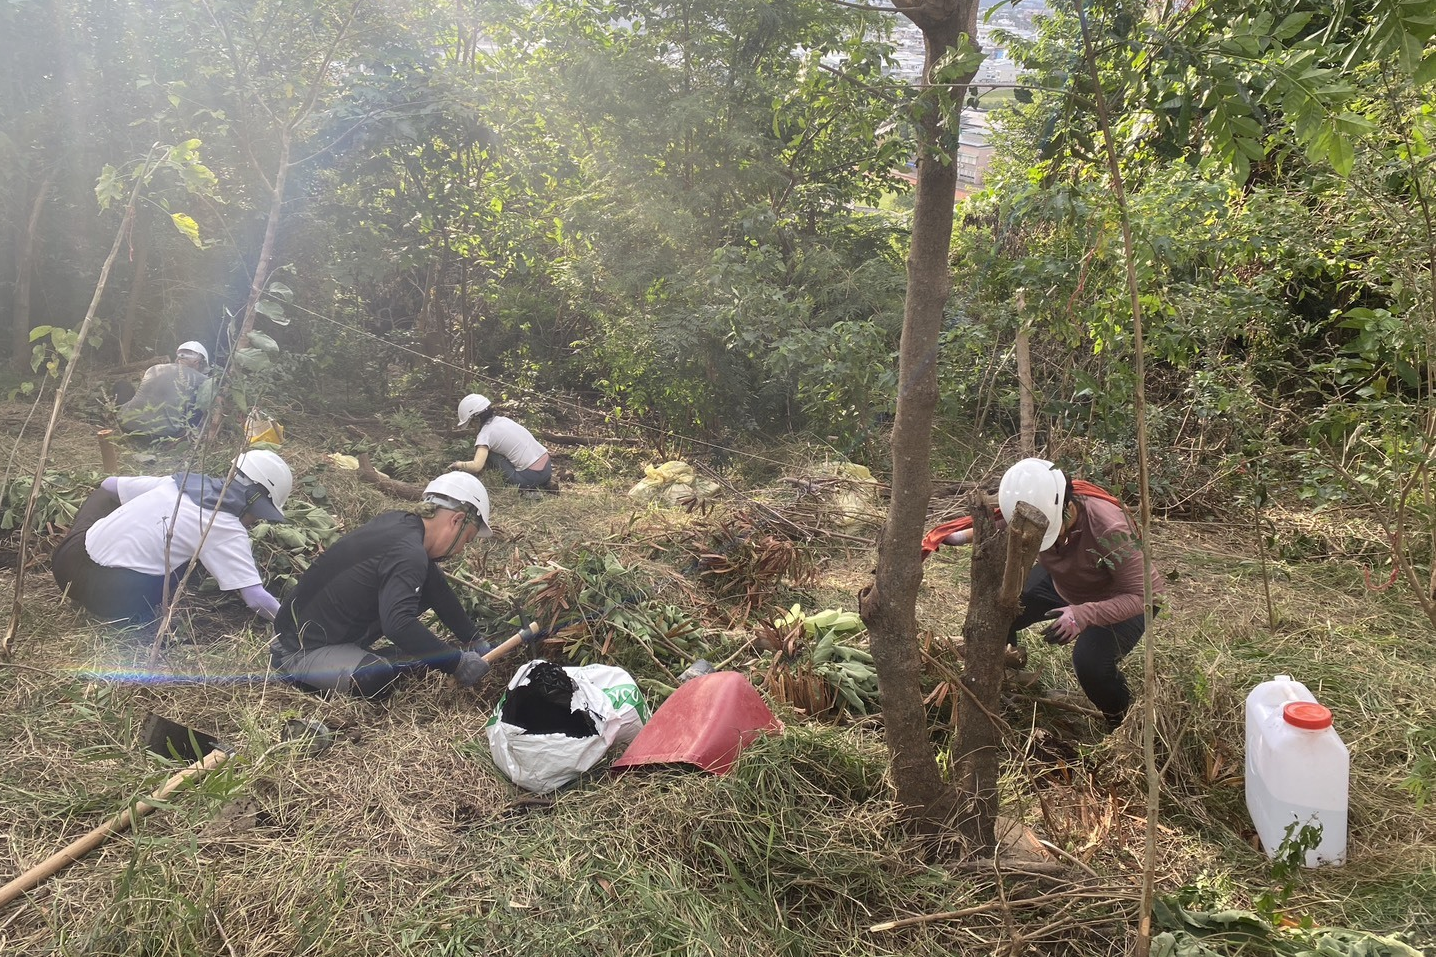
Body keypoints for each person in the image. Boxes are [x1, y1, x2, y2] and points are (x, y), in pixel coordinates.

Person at [938, 458, 1164, 730]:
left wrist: (1084, 614)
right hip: (1064, 581)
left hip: (1120, 597)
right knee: (1001, 610)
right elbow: (1007, 524)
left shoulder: (1110, 529)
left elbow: (1147, 595)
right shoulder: (1038, 507)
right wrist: (959, 536)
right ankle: (1005, 679)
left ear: (1068, 507)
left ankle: (1121, 722)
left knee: (1091, 665)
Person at [269, 472, 518, 700]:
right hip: (298, 649)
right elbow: (398, 625)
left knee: (416, 648)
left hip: (309, 630)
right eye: (467, 538)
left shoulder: (400, 524)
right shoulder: (409, 553)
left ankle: (363, 656)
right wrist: (456, 664)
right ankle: (308, 672)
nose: (462, 548)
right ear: (457, 520)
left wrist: (473, 638)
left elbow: (438, 590)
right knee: (376, 678)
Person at [52, 450, 292, 626]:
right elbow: (256, 598)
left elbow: (109, 484)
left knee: (103, 495)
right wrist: (290, 624)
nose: (255, 521)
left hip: (66, 564)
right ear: (255, 503)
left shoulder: (179, 483)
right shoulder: (225, 528)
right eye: (258, 515)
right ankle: (138, 616)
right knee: (192, 558)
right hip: (112, 598)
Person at [449, 393, 554, 492]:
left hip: (530, 477)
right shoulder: (503, 420)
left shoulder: (485, 435)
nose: (472, 427)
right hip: (547, 467)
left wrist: (458, 464)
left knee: (489, 454)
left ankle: (518, 487)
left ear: (475, 419)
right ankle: (544, 483)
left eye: (471, 424)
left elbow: (477, 466)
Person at [117, 340, 212, 441]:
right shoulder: (202, 379)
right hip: (162, 436)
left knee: (122, 385)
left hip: (127, 428)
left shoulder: (153, 369)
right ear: (197, 362)